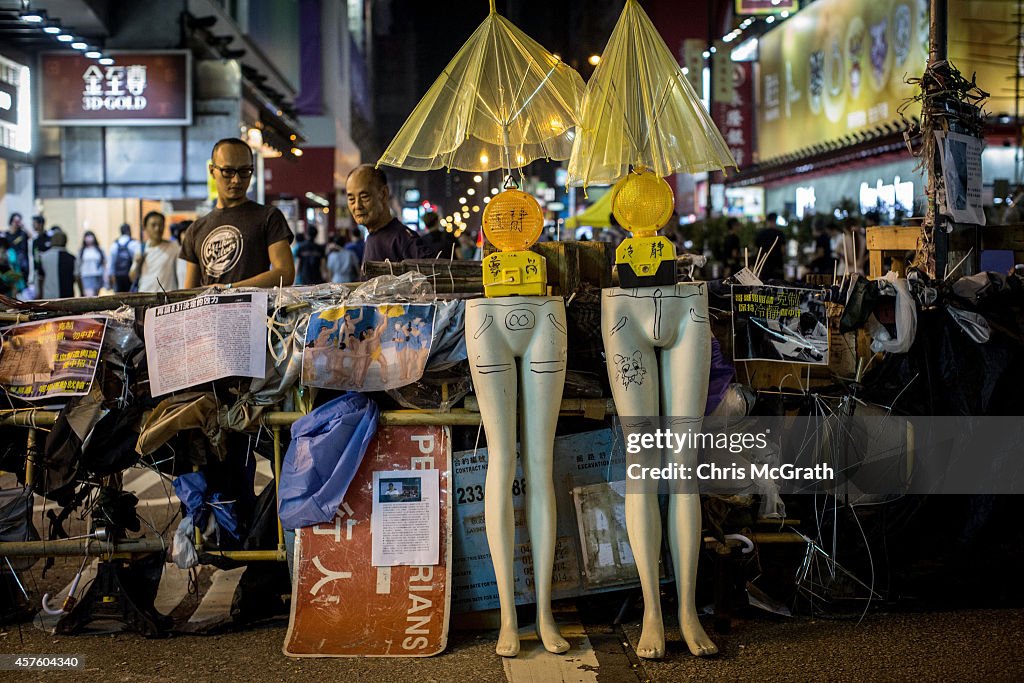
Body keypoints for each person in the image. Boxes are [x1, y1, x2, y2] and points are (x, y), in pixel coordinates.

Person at [182, 138, 295, 288]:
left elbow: (285, 273)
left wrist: (229, 289)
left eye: (244, 171)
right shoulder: (196, 230)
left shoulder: (269, 217)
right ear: (212, 170)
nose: (236, 180)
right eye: (228, 171)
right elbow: (190, 293)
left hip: (254, 311)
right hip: (210, 311)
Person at [345, 165, 431, 267]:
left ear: (384, 194)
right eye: (351, 199)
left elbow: (434, 275)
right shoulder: (371, 237)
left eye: (364, 197)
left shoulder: (403, 240)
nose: (357, 206)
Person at [132, 211, 181, 292]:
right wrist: (138, 263)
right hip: (145, 296)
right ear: (145, 227)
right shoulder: (140, 248)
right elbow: (132, 277)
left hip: (167, 298)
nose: (157, 229)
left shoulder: (174, 247)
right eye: (153, 225)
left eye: (161, 225)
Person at [37, 230, 76, 299]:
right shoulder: (72, 258)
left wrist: (40, 294)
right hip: (67, 296)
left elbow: (40, 278)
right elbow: (76, 277)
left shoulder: (44, 257)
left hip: (49, 296)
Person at [108, 223, 141, 292]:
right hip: (130, 275)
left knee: (119, 296)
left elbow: (111, 262)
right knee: (131, 295)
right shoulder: (134, 243)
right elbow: (137, 259)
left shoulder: (114, 244)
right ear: (129, 231)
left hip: (118, 276)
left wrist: (111, 276)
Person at [754, 212, 786, 280]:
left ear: (767, 221)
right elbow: (783, 250)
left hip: (763, 267)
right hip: (777, 266)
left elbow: (757, 251)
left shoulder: (760, 234)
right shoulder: (780, 234)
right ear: (775, 221)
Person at [76, 230, 106, 296]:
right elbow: (78, 264)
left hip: (97, 275)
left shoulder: (99, 250)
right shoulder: (82, 251)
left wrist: (105, 275)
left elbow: (104, 262)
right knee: (89, 295)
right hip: (86, 275)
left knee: (96, 295)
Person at [4, 213, 30, 286]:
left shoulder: (22, 233)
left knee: (23, 283)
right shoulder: (6, 234)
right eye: (16, 221)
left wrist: (23, 226)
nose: (17, 223)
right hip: (11, 263)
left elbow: (31, 236)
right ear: (11, 221)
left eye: (19, 221)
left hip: (22, 263)